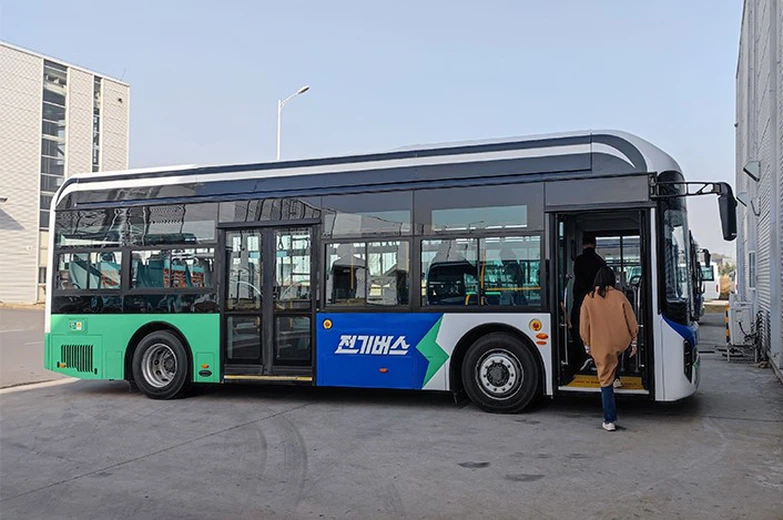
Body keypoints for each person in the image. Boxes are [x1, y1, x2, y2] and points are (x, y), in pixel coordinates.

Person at [580, 266, 639, 431]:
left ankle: (609, 420)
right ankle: (617, 378)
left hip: (600, 344)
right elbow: (631, 321)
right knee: (615, 356)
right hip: (620, 342)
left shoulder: (588, 298)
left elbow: (584, 326)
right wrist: (633, 341)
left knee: (604, 380)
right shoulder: (620, 296)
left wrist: (587, 344)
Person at [570, 233, 606, 372]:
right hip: (598, 299)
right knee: (597, 329)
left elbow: (578, 281)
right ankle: (597, 357)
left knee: (578, 327)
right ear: (595, 244)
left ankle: (585, 355)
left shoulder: (579, 260)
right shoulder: (600, 261)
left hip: (581, 299)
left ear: (582, 245)